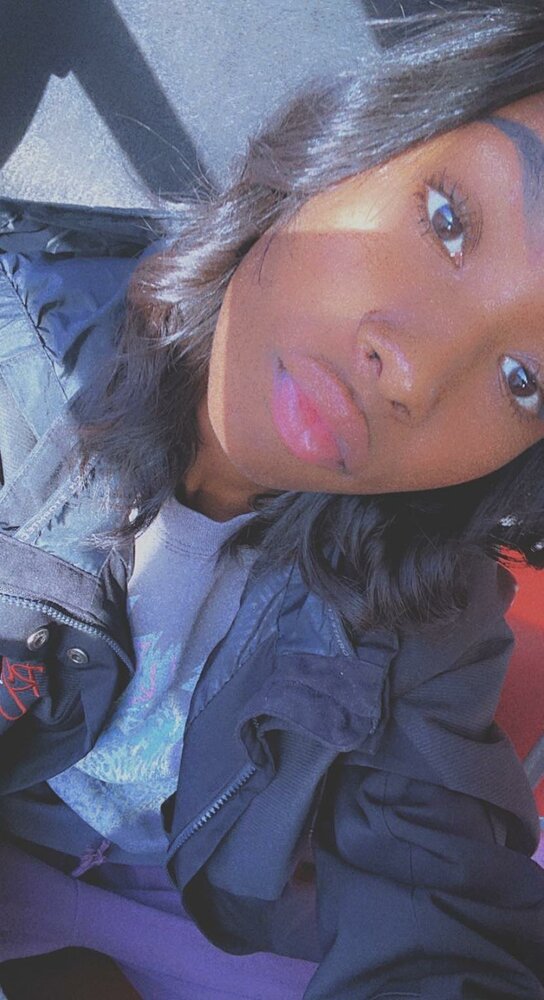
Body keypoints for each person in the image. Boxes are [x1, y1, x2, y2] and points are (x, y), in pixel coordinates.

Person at [0, 4, 543, 998]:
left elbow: (439, 900)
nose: (413, 372)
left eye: (525, 381)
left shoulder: (430, 606)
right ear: (352, 143)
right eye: (448, 220)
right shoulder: (24, 384)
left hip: (176, 898)